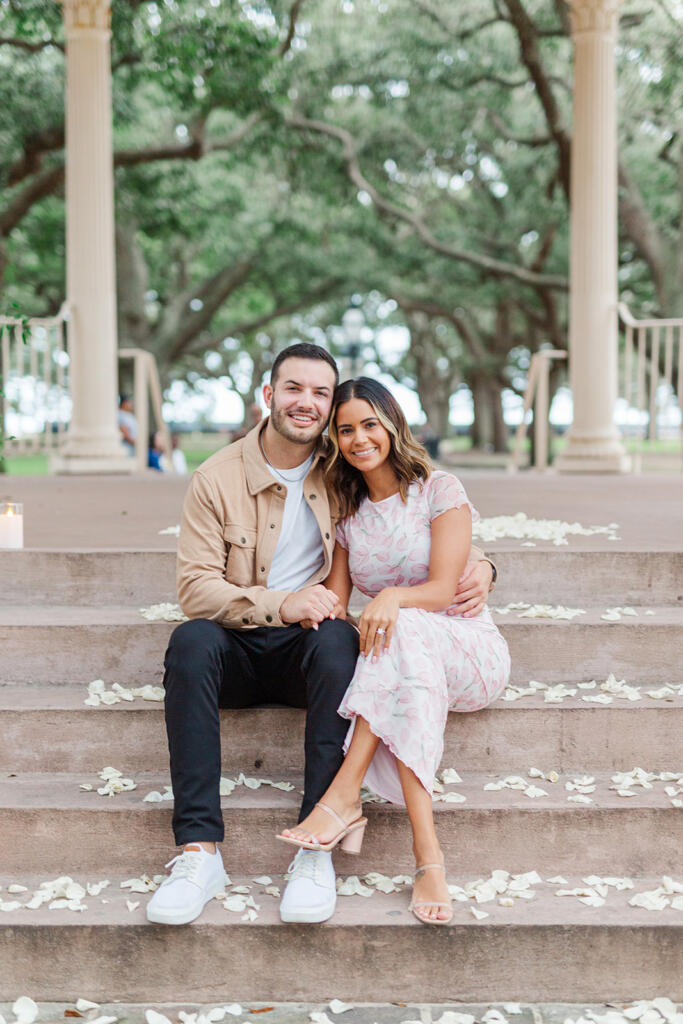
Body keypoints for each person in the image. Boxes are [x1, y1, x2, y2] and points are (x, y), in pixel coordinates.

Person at [145, 344, 497, 927]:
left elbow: (411, 514)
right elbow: (195, 590)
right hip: (238, 638)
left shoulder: (340, 475)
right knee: (190, 640)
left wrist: (483, 564)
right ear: (269, 396)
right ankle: (199, 853)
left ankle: (318, 847)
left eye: (320, 393)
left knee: (338, 639)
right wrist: (282, 602)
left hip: (307, 651)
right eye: (293, 389)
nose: (306, 403)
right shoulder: (215, 478)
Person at [278, 377, 510, 926]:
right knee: (401, 645)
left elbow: (442, 589)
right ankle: (428, 859)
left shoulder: (439, 490)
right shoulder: (347, 514)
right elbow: (336, 599)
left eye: (370, 424)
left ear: (392, 424)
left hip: (470, 650)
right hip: (408, 659)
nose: (359, 438)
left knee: (402, 626)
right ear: (335, 439)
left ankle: (343, 795)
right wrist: (291, 608)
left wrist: (390, 598)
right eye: (346, 429)